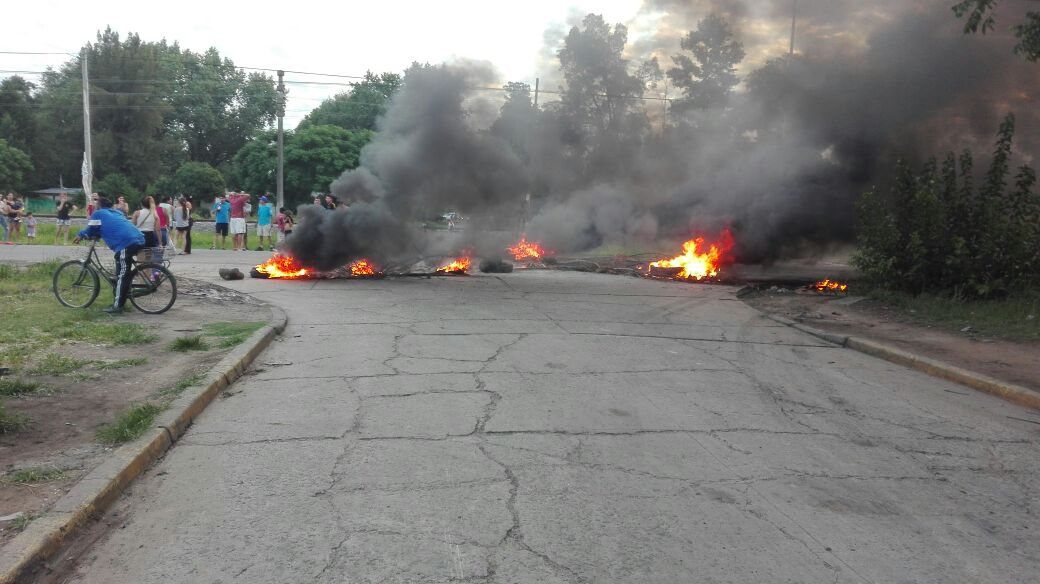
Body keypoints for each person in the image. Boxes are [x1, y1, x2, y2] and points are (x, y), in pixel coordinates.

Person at [73, 196, 145, 315]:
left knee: (122, 274)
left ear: (99, 205)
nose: (95, 204)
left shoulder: (98, 213)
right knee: (121, 264)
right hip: (138, 238)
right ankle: (120, 286)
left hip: (126, 242)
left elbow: (90, 229)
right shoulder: (117, 212)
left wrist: (81, 235)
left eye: (96, 202)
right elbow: (104, 228)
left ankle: (117, 307)